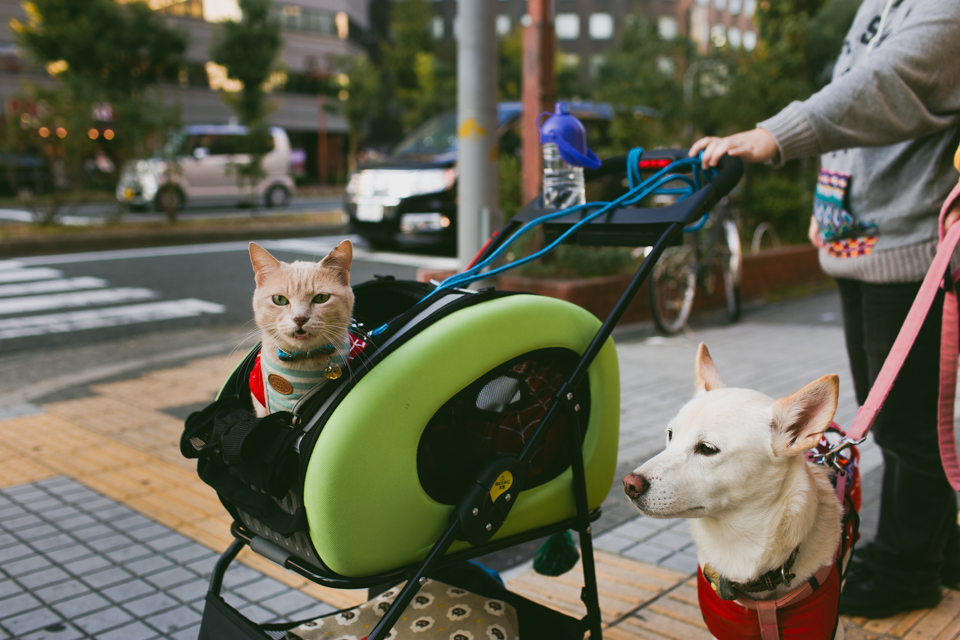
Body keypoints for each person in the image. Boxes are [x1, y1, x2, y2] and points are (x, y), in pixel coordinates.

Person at [690, 0, 960, 619]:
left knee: (908, 427)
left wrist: (773, 136)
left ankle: (909, 569)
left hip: (914, 249)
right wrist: (828, 202)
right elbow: (852, 104)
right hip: (864, 241)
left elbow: (885, 88)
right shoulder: (883, 5)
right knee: (893, 420)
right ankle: (942, 552)